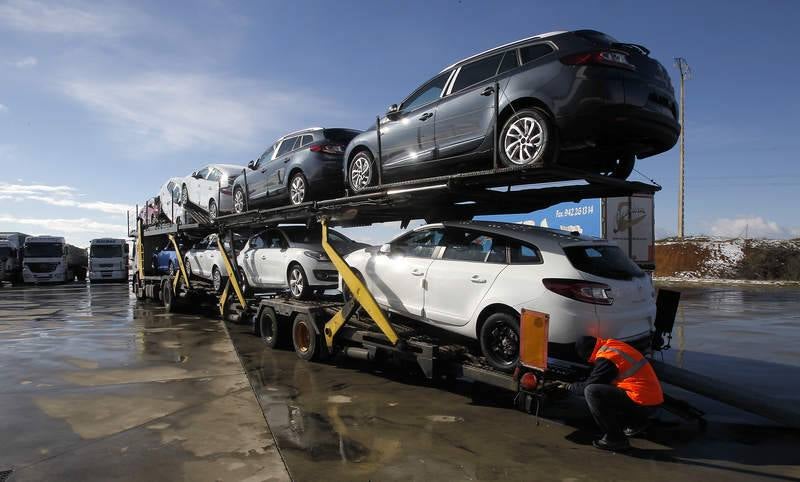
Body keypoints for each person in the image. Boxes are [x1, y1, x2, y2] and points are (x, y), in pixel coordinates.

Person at [564, 336, 664, 451]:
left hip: (643, 404)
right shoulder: (612, 345)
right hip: (652, 399)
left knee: (592, 391)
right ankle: (637, 422)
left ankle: (615, 438)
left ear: (587, 353)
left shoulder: (606, 358)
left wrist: (569, 386)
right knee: (610, 387)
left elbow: (588, 385)